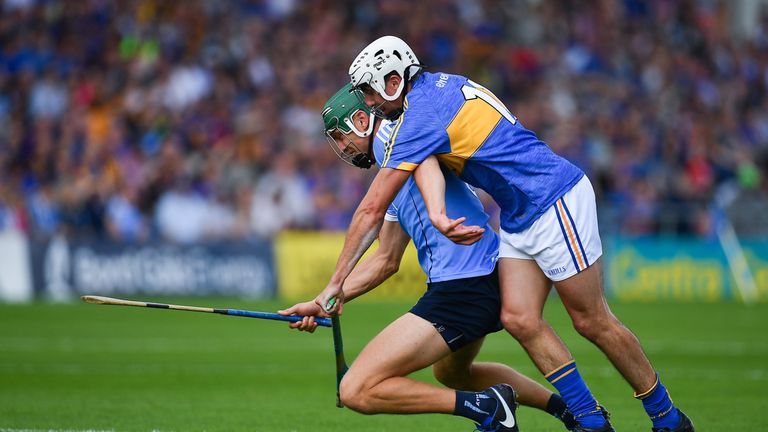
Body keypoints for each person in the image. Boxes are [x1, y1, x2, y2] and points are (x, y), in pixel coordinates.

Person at [316, 36, 694, 432]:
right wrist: (437, 212)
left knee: (591, 321)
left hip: (552, 195)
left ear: (394, 81)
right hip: (518, 212)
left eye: (371, 92)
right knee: (518, 318)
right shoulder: (431, 93)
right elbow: (423, 166)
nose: (371, 103)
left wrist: (337, 282)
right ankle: (588, 419)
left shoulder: (420, 112)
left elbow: (372, 209)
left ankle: (667, 417)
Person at [280, 84, 580, 432]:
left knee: (356, 390)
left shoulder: (393, 139)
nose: (342, 147)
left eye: (339, 135)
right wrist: (326, 300)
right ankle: (568, 410)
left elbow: (418, 166)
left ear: (361, 120)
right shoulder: (393, 168)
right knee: (453, 373)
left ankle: (487, 408)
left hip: (465, 285)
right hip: (483, 275)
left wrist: (436, 213)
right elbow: (386, 259)